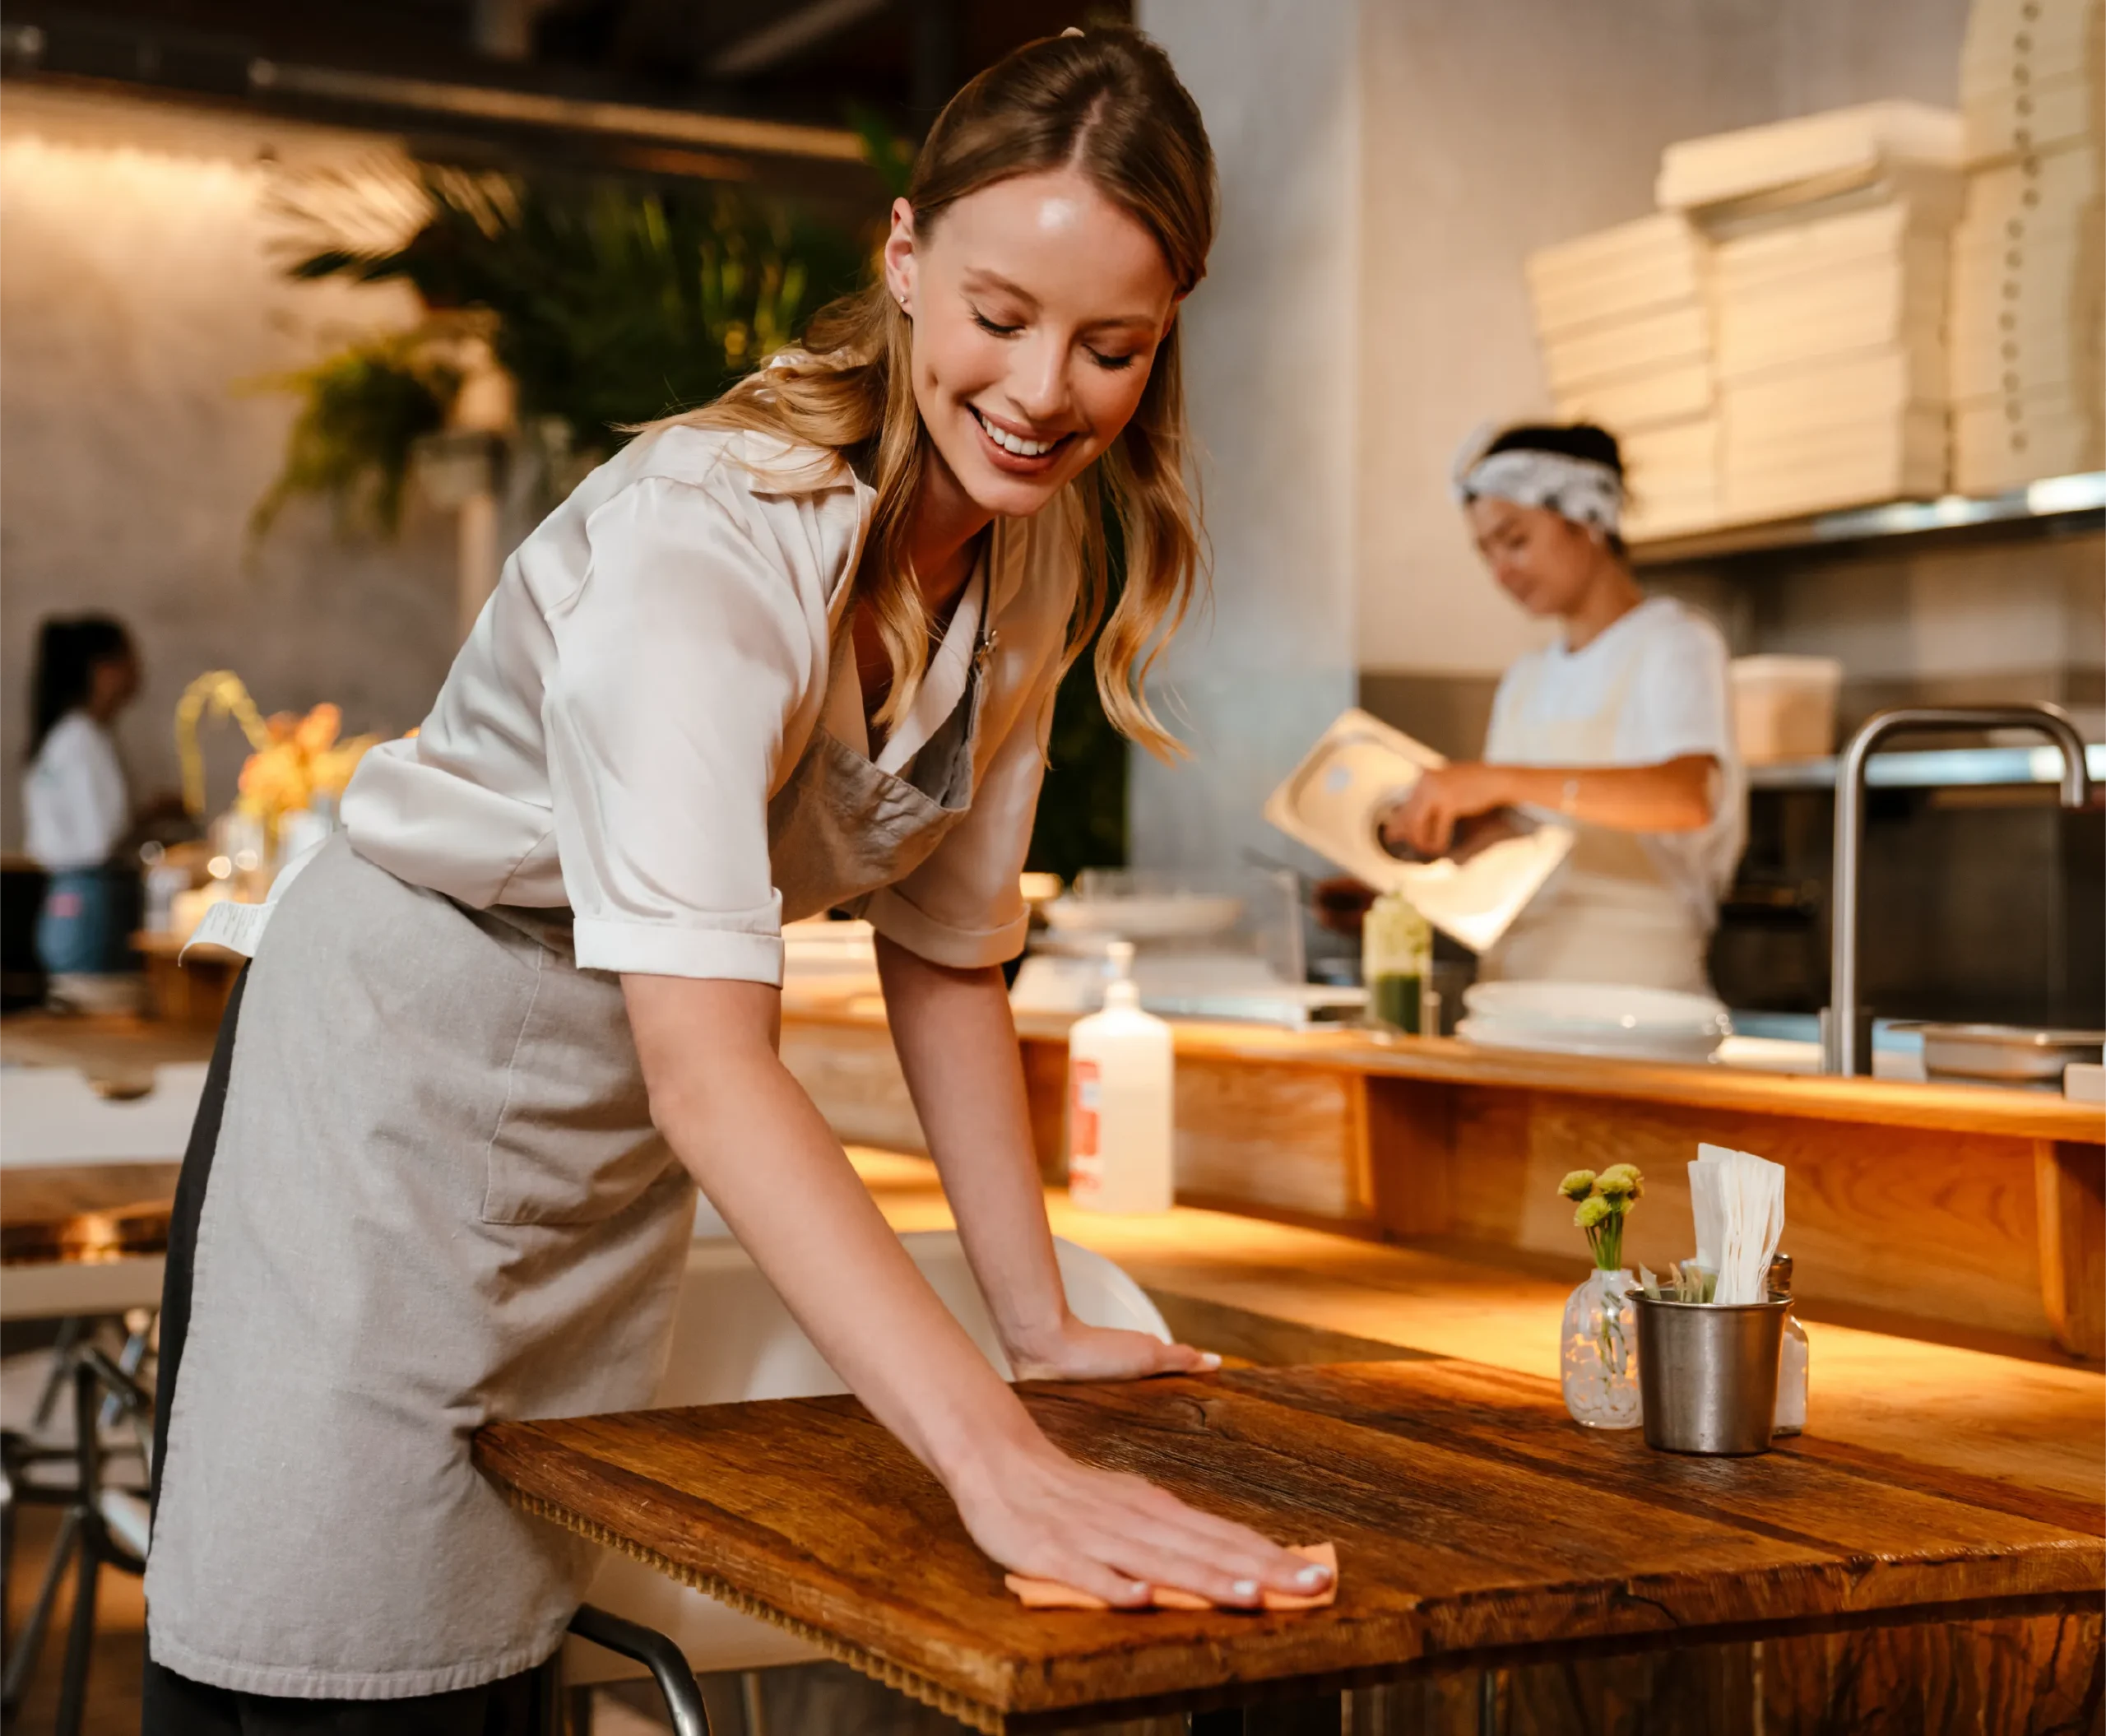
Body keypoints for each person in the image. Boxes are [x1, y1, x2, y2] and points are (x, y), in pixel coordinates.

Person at [141, 28, 1329, 1734]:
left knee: (489, 1658)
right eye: (999, 318)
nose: (1043, 389)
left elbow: (943, 954)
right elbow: (715, 1063)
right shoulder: (704, 547)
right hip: (395, 1088)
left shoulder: (1035, 550)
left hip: (596, 1101)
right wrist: (994, 1466)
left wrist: (1033, 1318)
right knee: (322, 1658)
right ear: (905, 259)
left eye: (1110, 346)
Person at [1382, 424, 1745, 996]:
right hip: (1515, 990)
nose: (1502, 571)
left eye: (1516, 540)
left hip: (1635, 1002)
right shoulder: (1527, 678)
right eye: (1486, 552)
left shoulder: (1674, 644)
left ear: (1588, 519)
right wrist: (1397, 889)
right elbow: (1519, 839)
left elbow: (1686, 796)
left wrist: (1497, 778)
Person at [21, 613, 142, 996]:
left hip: (65, 899)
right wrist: (152, 817)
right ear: (102, 670)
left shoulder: (65, 736)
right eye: (129, 659)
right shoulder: (81, 740)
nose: (139, 671)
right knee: (97, 1011)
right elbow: (100, 838)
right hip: (93, 904)